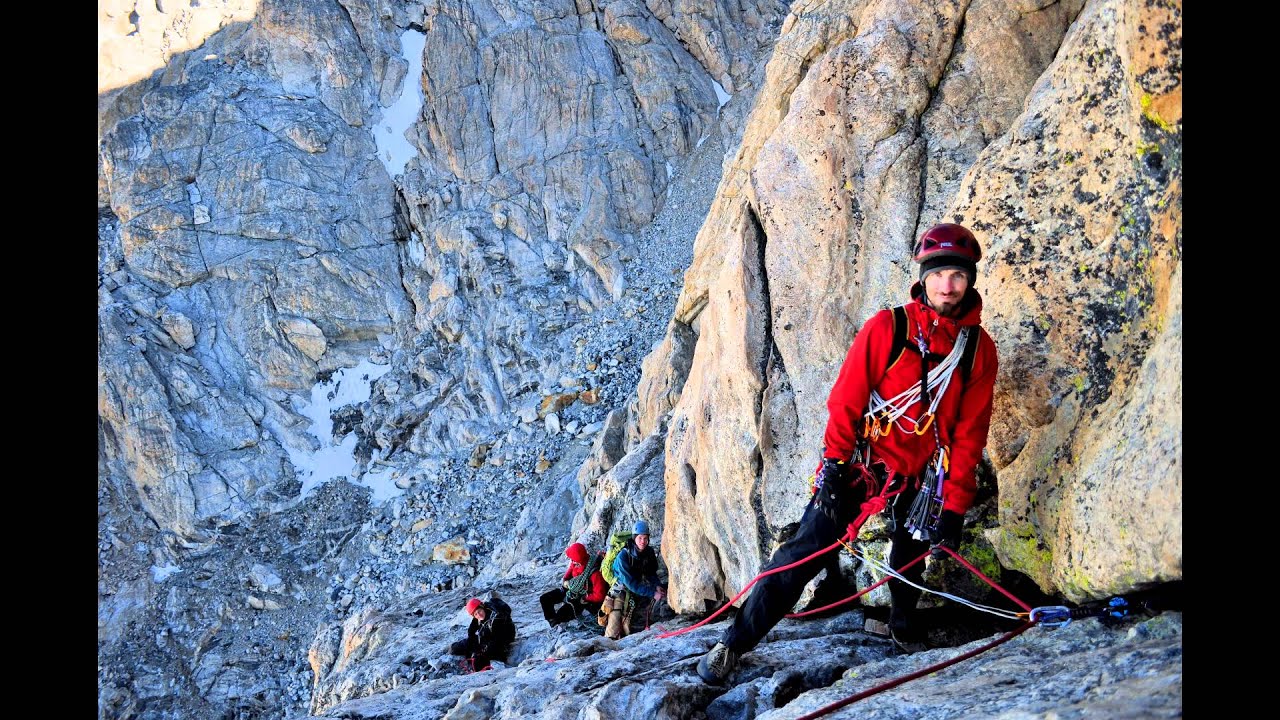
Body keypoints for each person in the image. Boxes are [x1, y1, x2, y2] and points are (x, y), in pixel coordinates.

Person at [697, 222, 998, 684]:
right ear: (924, 277)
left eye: (957, 275)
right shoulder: (889, 328)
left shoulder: (977, 350)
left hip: (920, 473)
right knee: (806, 550)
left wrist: (954, 505)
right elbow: (846, 401)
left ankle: (902, 627)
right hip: (861, 465)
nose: (947, 285)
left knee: (911, 555)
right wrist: (835, 467)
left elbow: (969, 434)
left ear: (969, 280)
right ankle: (733, 643)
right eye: (938, 274)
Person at [604, 520, 668, 640]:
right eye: (640, 538)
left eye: (645, 538)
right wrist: (653, 593)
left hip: (636, 580)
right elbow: (631, 584)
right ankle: (610, 638)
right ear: (634, 538)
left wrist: (657, 585)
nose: (643, 541)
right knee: (617, 611)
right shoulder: (623, 556)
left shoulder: (649, 552)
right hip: (621, 584)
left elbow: (650, 572)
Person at [539, 542, 608, 629]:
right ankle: (552, 621)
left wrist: (585, 598)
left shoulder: (594, 573)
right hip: (571, 590)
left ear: (578, 560)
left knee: (561, 614)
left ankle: (556, 622)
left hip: (581, 598)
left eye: (573, 560)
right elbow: (568, 575)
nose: (571, 561)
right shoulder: (575, 563)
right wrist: (566, 582)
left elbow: (600, 595)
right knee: (545, 599)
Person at [448, 596, 516, 672]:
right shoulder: (485, 613)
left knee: (478, 661)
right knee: (458, 647)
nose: (479, 615)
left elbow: (497, 641)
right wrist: (471, 637)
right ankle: (453, 649)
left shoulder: (496, 618)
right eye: (476, 614)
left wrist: (481, 652)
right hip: (488, 639)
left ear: (482, 607)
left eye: (479, 611)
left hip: (501, 643)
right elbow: (474, 625)